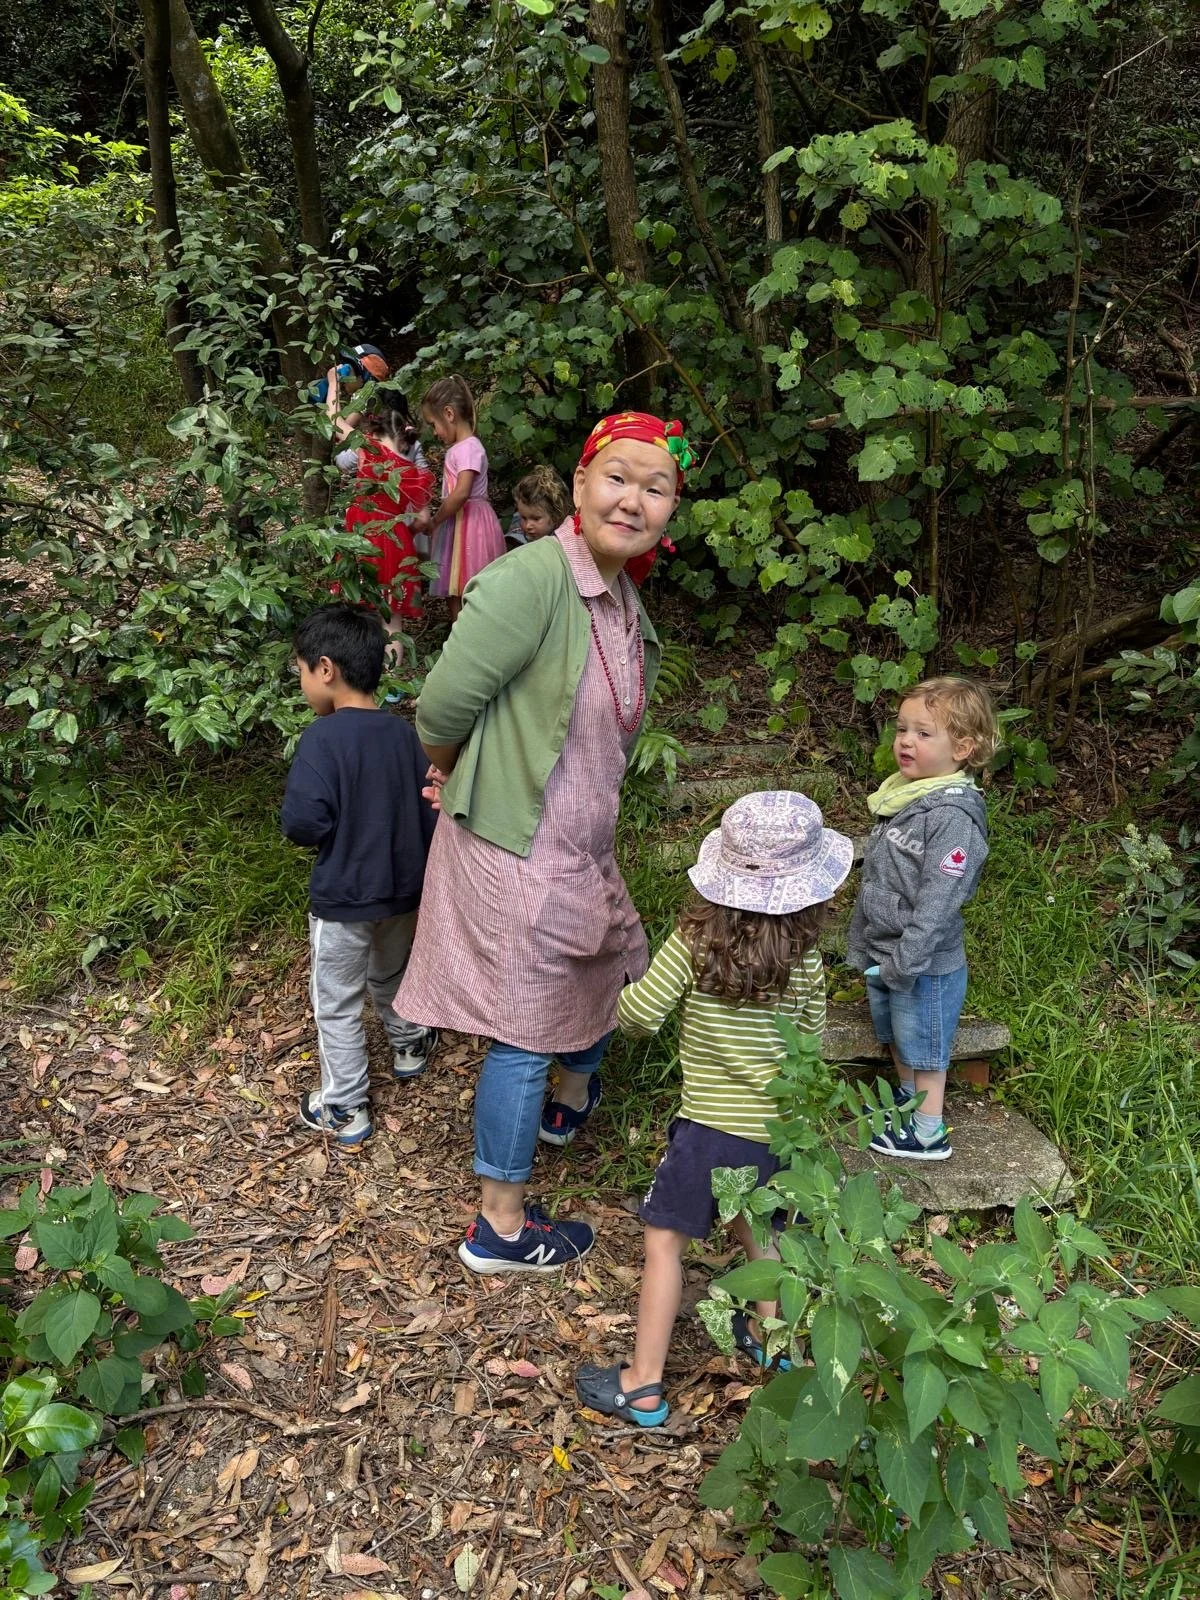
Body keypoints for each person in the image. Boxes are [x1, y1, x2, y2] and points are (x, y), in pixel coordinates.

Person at [393, 410, 694, 1273]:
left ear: (671, 508)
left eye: (656, 486)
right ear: (578, 484)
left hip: (577, 842)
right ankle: (501, 1226)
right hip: (513, 847)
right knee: (524, 1030)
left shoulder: (621, 596)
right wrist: (457, 772)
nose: (633, 500)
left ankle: (568, 1100)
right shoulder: (532, 581)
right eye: (618, 478)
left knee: (612, 960)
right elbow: (442, 711)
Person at [574, 791, 853, 1427]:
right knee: (763, 1234)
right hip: (777, 1132)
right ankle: (774, 1341)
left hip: (705, 1132)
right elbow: (808, 1048)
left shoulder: (693, 943)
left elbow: (641, 1015)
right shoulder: (806, 962)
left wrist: (614, 1001)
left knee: (665, 1241)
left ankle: (643, 1383)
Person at [282, 605, 438, 1147]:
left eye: (300, 670)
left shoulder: (321, 740)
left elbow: (303, 822)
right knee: (390, 974)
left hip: (344, 897)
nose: (303, 683)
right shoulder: (406, 735)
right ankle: (410, 1043)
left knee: (337, 1001)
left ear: (325, 669)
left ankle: (345, 1105)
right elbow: (430, 808)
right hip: (403, 891)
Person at [847, 676, 999, 1162]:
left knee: (925, 1049)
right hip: (888, 951)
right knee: (897, 1038)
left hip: (923, 963)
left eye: (923, 733)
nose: (905, 741)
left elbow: (938, 901)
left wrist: (905, 962)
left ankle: (929, 1131)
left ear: (963, 748)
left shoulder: (953, 817)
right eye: (901, 729)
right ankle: (908, 1105)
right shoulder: (906, 797)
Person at [411, 375, 506, 623]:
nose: (435, 432)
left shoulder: (469, 447)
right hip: (459, 523)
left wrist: (436, 520)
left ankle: (471, 634)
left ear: (449, 414)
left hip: (470, 524)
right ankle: (459, 632)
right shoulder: (460, 447)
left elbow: (462, 492)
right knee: (454, 584)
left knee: (467, 583)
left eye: (434, 424)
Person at [340, 396, 434, 627]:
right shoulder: (411, 470)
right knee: (392, 619)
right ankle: (394, 664)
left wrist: (334, 384)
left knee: (358, 610)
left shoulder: (366, 450)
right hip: (396, 537)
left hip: (363, 534)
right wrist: (405, 533)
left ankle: (360, 660)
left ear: (374, 429)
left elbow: (333, 421)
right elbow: (423, 519)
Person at [505, 465, 572, 549]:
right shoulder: (515, 540)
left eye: (536, 519)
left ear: (556, 515)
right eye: (523, 518)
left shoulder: (565, 543)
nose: (528, 526)